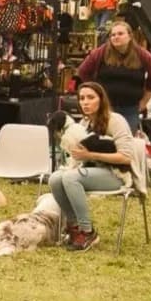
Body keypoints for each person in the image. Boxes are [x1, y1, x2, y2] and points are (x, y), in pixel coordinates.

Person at [48, 82, 144, 252]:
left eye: (90, 97)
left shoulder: (116, 120)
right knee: (55, 178)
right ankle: (75, 227)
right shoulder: (83, 124)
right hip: (94, 170)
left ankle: (88, 232)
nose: (85, 102)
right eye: (82, 98)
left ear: (101, 99)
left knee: (70, 177)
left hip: (117, 174)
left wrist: (90, 156)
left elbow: (126, 157)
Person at [76, 20, 151, 134]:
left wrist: (144, 102)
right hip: (104, 108)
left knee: (125, 143)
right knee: (101, 141)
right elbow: (83, 71)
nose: (116, 37)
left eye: (120, 34)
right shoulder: (101, 52)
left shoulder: (142, 55)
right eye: (113, 35)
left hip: (130, 109)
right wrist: (94, 92)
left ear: (130, 36)